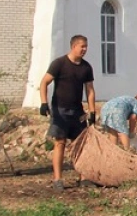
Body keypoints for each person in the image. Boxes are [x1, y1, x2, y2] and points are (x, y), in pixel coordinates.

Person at [38, 35, 96, 190]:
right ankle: (58, 179)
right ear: (73, 46)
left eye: (86, 46)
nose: (84, 49)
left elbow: (89, 90)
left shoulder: (86, 67)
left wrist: (92, 111)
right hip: (60, 109)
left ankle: (84, 177)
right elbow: (44, 82)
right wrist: (43, 103)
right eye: (82, 46)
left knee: (82, 144)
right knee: (60, 143)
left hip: (77, 111)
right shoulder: (59, 63)